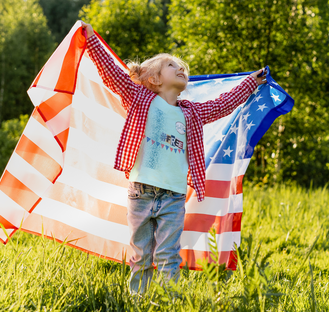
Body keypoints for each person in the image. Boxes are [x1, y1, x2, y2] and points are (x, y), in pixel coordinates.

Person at [81, 21, 267, 294]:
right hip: (141, 193)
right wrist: (90, 38)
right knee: (141, 255)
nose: (181, 69)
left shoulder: (190, 112)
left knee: (168, 256)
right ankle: (138, 301)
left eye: (183, 69)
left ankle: (169, 302)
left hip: (173, 197)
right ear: (154, 79)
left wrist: (251, 82)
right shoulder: (139, 98)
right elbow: (113, 74)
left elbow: (224, 104)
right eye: (172, 66)